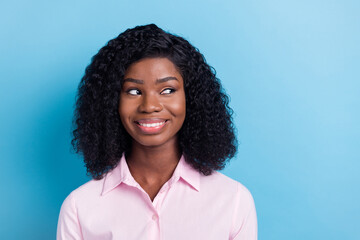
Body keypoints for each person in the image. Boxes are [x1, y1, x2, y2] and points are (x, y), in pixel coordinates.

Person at [57, 24, 257, 240]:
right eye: (133, 91)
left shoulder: (233, 201)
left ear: (190, 98)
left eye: (167, 90)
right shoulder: (79, 208)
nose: (149, 105)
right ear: (111, 101)